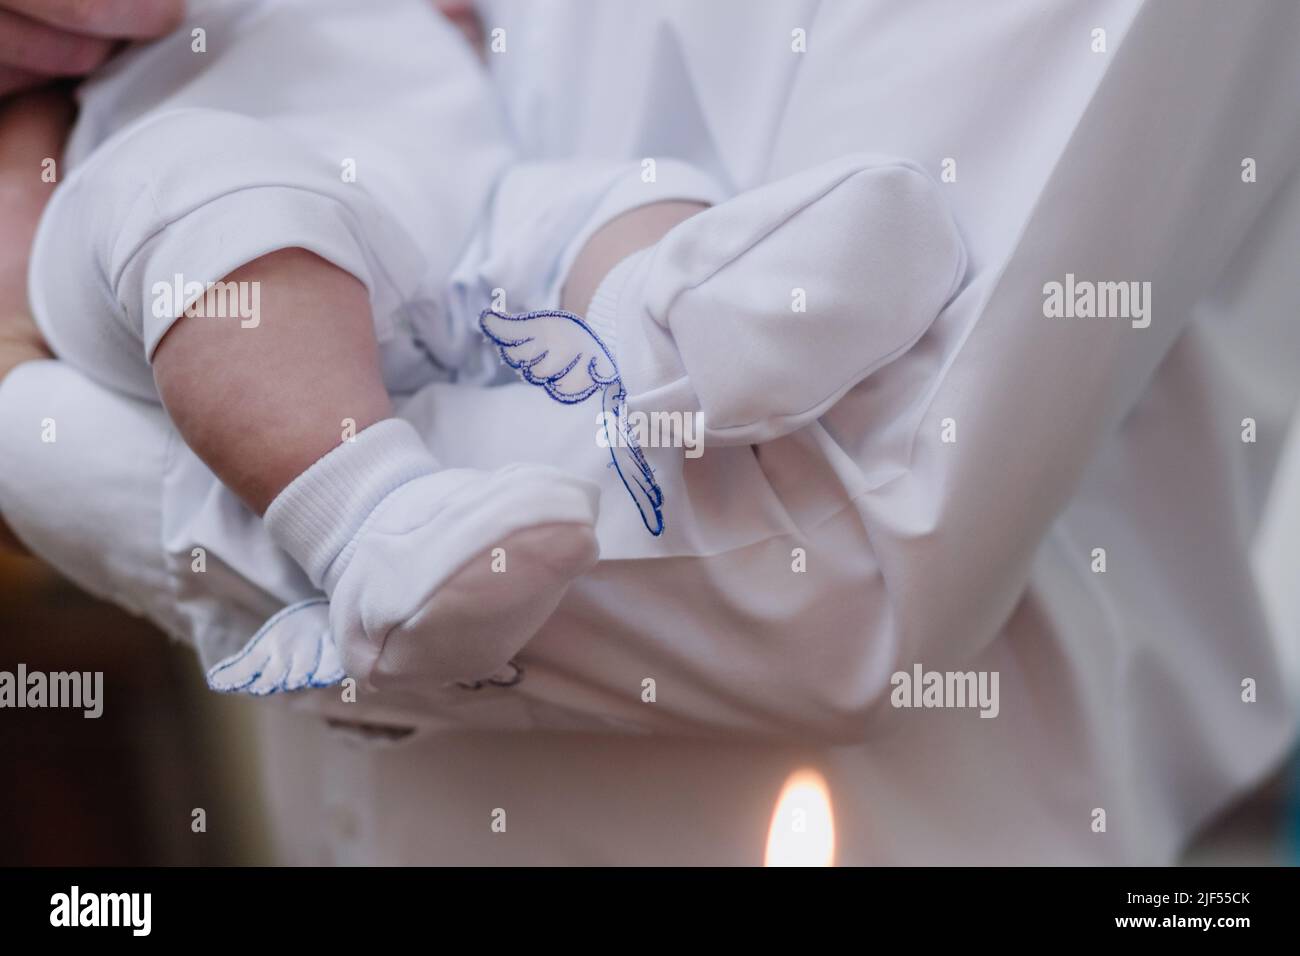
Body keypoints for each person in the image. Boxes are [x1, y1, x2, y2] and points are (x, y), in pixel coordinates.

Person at [2, 0, 1298, 865]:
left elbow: (831, 571)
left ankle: (407, 487)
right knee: (248, 217)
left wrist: (36, 427)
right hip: (258, 169)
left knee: (568, 224)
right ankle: (517, 427)